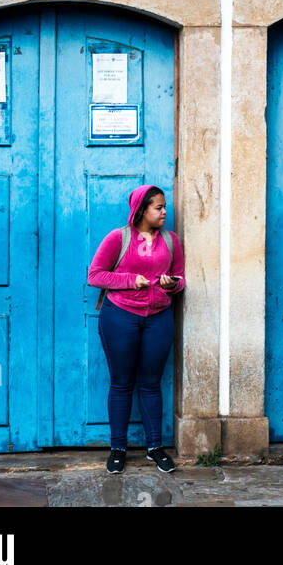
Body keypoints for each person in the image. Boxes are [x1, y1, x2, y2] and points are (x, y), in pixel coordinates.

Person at [88, 183, 184, 474]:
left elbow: (180, 278)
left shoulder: (171, 240)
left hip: (159, 318)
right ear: (142, 209)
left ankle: (155, 447)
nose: (165, 211)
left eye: (165, 206)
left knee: (151, 383)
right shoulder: (118, 238)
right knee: (121, 382)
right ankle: (118, 449)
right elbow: (95, 275)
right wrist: (131, 280)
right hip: (121, 317)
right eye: (159, 207)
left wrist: (173, 284)